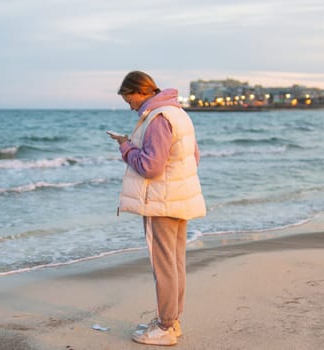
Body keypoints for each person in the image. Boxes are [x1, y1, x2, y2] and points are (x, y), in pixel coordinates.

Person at [108, 71, 206, 346]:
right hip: (179, 199)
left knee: (164, 266)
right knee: (174, 263)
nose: (129, 105)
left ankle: (165, 327)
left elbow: (151, 167)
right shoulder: (179, 114)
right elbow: (193, 157)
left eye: (129, 98)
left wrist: (125, 147)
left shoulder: (157, 118)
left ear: (141, 91)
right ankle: (171, 321)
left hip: (162, 202)